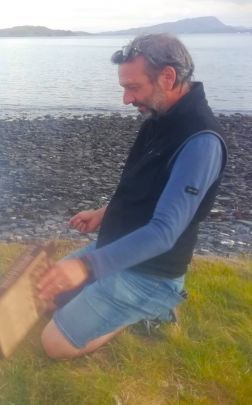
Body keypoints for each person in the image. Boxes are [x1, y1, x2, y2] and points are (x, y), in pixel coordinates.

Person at [36, 33, 227, 359]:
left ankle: (151, 307)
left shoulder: (201, 141)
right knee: (45, 297)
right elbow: (143, 186)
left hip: (151, 273)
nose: (126, 99)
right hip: (118, 247)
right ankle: (116, 300)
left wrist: (86, 266)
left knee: (52, 344)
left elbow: (164, 232)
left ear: (168, 77)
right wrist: (105, 211)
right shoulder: (158, 120)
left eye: (133, 88)